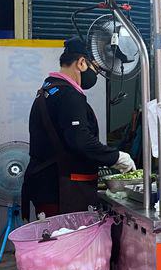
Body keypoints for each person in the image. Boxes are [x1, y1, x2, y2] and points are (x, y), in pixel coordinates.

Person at [21, 37, 136, 218]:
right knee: (65, 243)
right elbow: (79, 139)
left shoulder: (49, 88)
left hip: (48, 184)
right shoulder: (69, 95)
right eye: (95, 69)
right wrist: (116, 157)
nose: (94, 75)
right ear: (81, 63)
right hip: (60, 189)